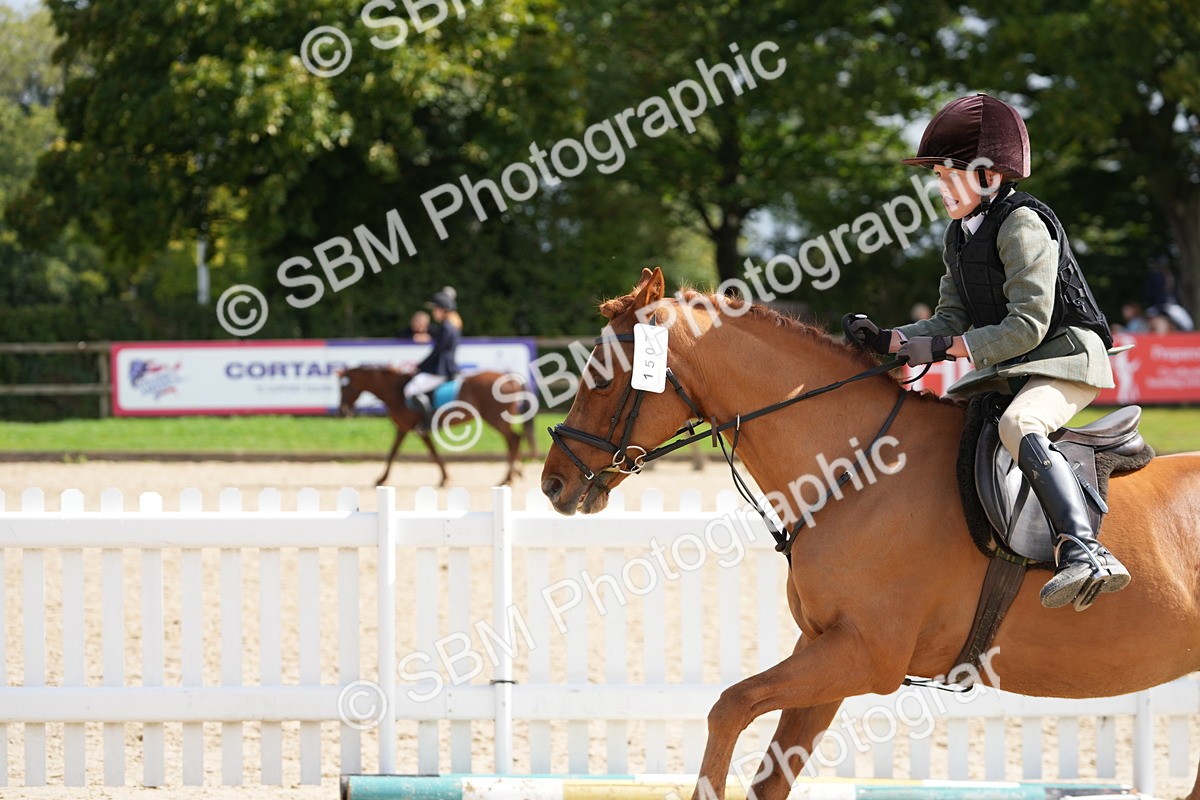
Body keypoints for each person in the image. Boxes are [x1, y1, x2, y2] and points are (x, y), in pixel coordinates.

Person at [844, 93, 1128, 611]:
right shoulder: (958, 235)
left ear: (989, 177)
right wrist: (889, 339)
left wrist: (944, 347)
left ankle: (1084, 549)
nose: (940, 187)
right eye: (937, 176)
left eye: (949, 175)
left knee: (1020, 424)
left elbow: (1028, 324)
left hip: (1064, 356)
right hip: (1015, 364)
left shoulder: (1022, 224)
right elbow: (949, 320)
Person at [403, 287, 462, 432]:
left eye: (436, 309)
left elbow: (437, 353)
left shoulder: (446, 328)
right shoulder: (449, 326)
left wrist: (420, 367)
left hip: (441, 370)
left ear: (444, 310)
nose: (434, 312)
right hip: (444, 368)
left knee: (410, 390)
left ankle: (429, 422)